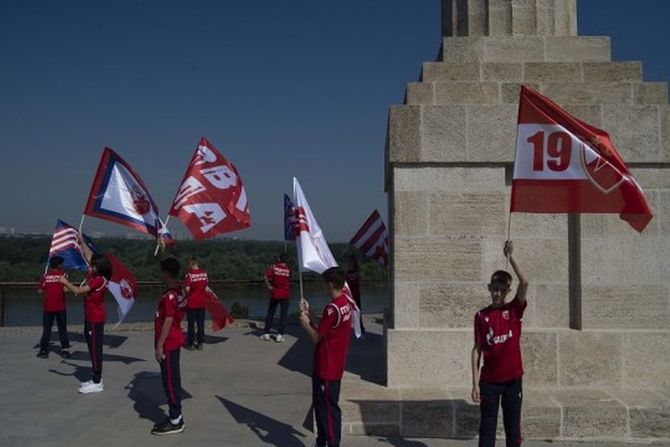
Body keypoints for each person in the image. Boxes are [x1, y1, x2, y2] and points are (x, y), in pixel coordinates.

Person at [471, 240, 529, 447]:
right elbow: (477, 351)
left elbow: (525, 283)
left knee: (513, 427)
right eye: (494, 289)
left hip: (513, 380)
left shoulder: (514, 309)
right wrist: (474, 383)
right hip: (489, 382)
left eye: (501, 290)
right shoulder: (481, 316)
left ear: (507, 291)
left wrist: (510, 257)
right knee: (487, 428)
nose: (496, 293)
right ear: (489, 288)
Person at [299, 267, 354, 447]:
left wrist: (305, 324)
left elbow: (316, 336)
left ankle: (332, 442)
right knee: (322, 408)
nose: (323, 288)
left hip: (327, 367)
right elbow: (325, 325)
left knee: (328, 411)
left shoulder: (332, 308)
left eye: (325, 284)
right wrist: (310, 313)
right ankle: (321, 441)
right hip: (333, 365)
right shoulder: (346, 301)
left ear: (330, 285)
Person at [60, 235, 112, 394]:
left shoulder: (99, 280)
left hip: (95, 318)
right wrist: (81, 240)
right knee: (91, 347)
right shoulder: (95, 274)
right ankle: (95, 376)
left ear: (100, 267)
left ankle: (97, 381)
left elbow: (77, 290)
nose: (91, 266)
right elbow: (88, 254)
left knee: (95, 349)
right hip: (90, 316)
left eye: (94, 265)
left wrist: (65, 282)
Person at [151, 257, 187, 435]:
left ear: (166, 273)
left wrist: (159, 346)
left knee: (170, 382)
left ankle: (176, 419)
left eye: (162, 271)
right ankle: (175, 415)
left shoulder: (170, 296)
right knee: (172, 379)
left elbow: (168, 320)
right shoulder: (178, 291)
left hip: (169, 342)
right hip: (174, 339)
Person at [37, 256, 71, 359]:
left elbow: (40, 290)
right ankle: (65, 350)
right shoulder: (64, 275)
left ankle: (43, 350)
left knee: (47, 329)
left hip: (48, 307)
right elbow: (66, 289)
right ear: (59, 265)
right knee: (62, 329)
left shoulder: (45, 276)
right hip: (60, 307)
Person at [260, 252, 291, 343]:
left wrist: (269, 286)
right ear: (287, 260)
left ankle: (266, 333)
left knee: (271, 313)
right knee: (283, 315)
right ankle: (279, 335)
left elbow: (265, 276)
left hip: (275, 293)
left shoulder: (274, 268)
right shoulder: (288, 270)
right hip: (285, 294)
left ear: (279, 259)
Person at [184, 256, 208, 351]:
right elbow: (206, 287)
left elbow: (187, 289)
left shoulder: (189, 275)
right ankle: (200, 342)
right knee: (200, 323)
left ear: (191, 263)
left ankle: (191, 343)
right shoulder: (204, 274)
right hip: (202, 302)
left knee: (191, 324)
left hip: (192, 302)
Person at [345, 254, 365, 334]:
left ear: (353, 263)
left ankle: (360, 327)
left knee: (358, 311)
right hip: (349, 296)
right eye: (348, 262)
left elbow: (361, 281)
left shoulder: (357, 273)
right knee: (348, 313)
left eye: (350, 262)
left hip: (356, 296)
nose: (349, 264)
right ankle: (348, 328)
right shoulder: (347, 273)